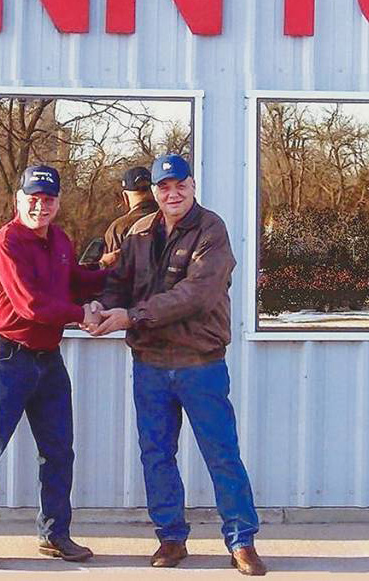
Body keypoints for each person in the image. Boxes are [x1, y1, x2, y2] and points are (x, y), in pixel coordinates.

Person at [90, 154, 267, 576]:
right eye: (164, 187)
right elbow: (118, 284)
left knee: (222, 454)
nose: (173, 193)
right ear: (152, 192)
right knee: (156, 454)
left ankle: (242, 541)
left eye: (180, 185)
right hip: (149, 364)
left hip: (199, 364)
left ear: (192, 186)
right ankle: (171, 537)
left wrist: (132, 316)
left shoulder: (212, 230)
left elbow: (197, 294)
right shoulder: (136, 234)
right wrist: (99, 305)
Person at [0, 165, 105, 569]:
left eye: (48, 199)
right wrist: (82, 314)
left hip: (48, 359)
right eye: (33, 199)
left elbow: (73, 280)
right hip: (7, 357)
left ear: (57, 202)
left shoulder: (59, 239)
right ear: (18, 200)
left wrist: (114, 272)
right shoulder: (4, 243)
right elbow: (32, 305)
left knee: (59, 452)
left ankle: (55, 535)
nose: (40, 206)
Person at [99, 166, 158, 267]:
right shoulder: (169, 219)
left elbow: (110, 273)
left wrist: (102, 264)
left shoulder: (119, 228)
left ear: (125, 197)